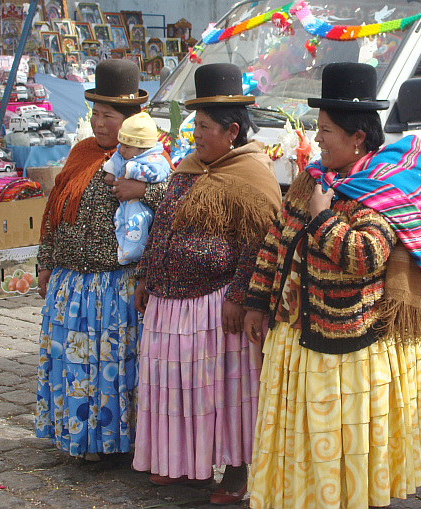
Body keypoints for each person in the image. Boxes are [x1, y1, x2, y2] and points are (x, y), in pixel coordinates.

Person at [244, 62, 421, 509]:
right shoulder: (314, 179)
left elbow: (366, 257)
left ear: (358, 137)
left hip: (345, 351)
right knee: (301, 438)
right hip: (298, 338)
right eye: (318, 129)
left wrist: (321, 219)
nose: (317, 139)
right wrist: (257, 301)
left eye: (326, 130)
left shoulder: (377, 187)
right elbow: (275, 241)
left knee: (339, 437)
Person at [131, 63, 282, 505]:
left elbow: (260, 246)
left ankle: (235, 473)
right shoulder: (189, 167)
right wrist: (146, 276)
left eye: (203, 127)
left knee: (223, 391)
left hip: (217, 305)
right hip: (169, 302)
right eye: (194, 125)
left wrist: (240, 296)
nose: (195, 134)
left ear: (232, 130)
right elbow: (161, 228)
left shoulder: (252, 175)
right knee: (173, 384)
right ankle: (184, 465)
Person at [35, 59, 171, 461]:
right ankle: (80, 438)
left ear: (131, 121)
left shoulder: (151, 162)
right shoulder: (82, 153)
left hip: (113, 286)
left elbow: (172, 209)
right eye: (95, 113)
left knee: (111, 367)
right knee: (75, 364)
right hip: (71, 285)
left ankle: (114, 441)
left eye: (108, 115)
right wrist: (46, 261)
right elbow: (55, 209)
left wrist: (140, 190)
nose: (98, 122)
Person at [102, 111, 169, 264]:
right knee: (120, 221)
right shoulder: (120, 154)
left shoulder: (155, 159)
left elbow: (158, 177)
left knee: (136, 224)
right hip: (124, 205)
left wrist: (136, 178)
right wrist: (110, 172)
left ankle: (134, 252)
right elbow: (114, 162)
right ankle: (123, 251)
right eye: (122, 145)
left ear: (143, 149)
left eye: (127, 147)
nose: (122, 150)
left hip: (139, 206)